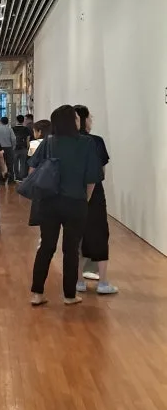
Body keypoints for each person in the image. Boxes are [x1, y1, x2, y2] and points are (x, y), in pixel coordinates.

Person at [29, 105, 103, 306]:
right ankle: (69, 295)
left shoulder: (48, 142)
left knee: (46, 246)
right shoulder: (87, 143)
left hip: (49, 202)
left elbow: (32, 170)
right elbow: (92, 178)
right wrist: (85, 200)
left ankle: (37, 293)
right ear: (72, 122)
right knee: (71, 250)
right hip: (75, 202)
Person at [74, 105, 117, 296]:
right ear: (83, 120)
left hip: (72, 192)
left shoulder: (64, 142)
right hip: (96, 194)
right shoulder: (96, 141)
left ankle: (78, 281)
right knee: (99, 234)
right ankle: (103, 282)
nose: (91, 121)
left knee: (75, 236)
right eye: (90, 118)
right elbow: (101, 173)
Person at [0, 116, 17, 182]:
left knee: (0, 164)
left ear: (0, 122)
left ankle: (1, 180)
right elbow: (13, 139)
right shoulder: (10, 129)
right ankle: (11, 180)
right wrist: (13, 146)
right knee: (10, 164)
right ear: (7, 122)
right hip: (8, 148)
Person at [12, 115, 32, 181]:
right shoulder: (26, 129)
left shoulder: (12, 128)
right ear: (23, 121)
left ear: (16, 120)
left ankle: (17, 176)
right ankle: (21, 176)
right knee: (23, 163)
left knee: (15, 163)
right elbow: (28, 139)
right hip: (24, 148)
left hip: (15, 148)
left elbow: (12, 139)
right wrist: (28, 147)